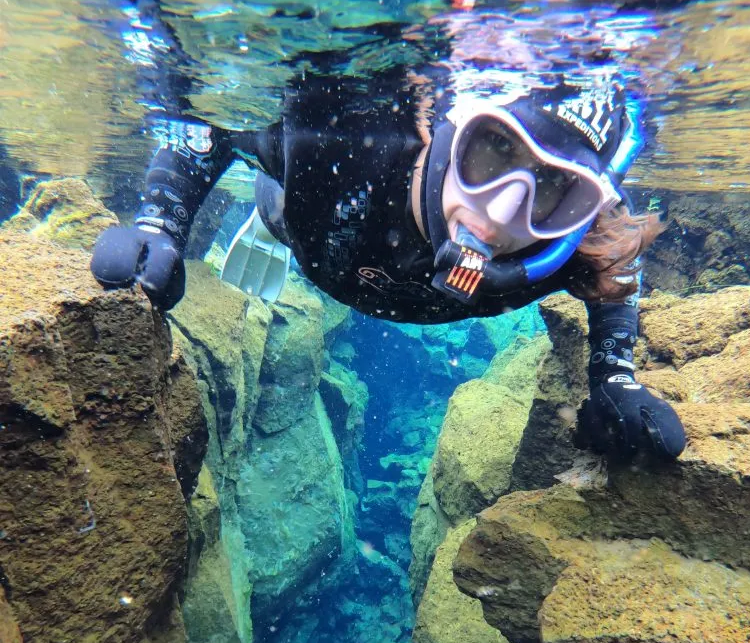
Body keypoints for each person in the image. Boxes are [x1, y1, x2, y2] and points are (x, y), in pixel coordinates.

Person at [90, 66, 686, 461]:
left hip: (345, 265)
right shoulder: (345, 144)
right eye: (495, 148)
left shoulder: (579, 236)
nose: (504, 211)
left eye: (554, 186)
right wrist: (160, 223)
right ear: (449, 132)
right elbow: (209, 123)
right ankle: (262, 223)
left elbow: (617, 278)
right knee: (280, 207)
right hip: (301, 225)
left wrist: (614, 377)